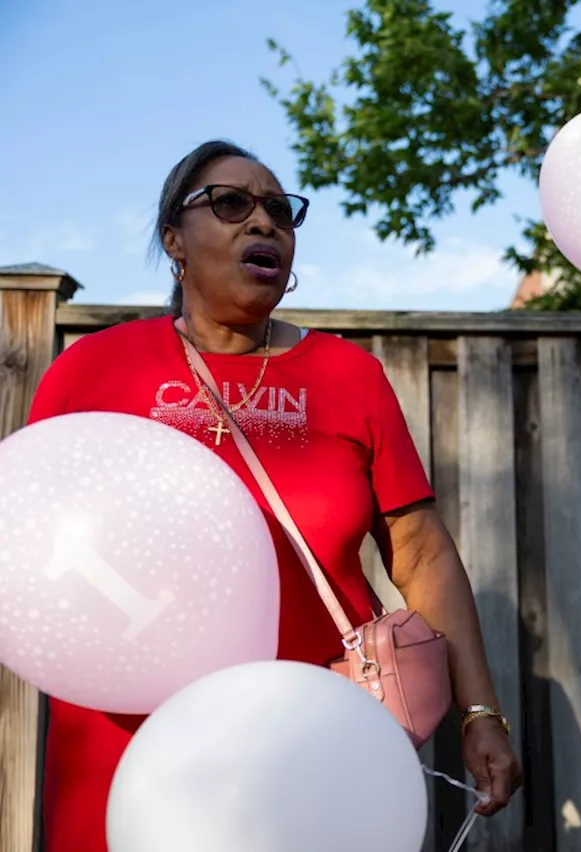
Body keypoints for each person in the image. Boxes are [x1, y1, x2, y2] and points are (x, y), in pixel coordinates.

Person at [27, 140, 523, 852]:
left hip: (309, 755)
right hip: (123, 753)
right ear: (175, 239)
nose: (263, 223)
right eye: (230, 204)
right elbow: (31, 547)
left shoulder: (349, 377)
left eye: (280, 211)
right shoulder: (91, 373)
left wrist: (481, 714)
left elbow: (421, 554)